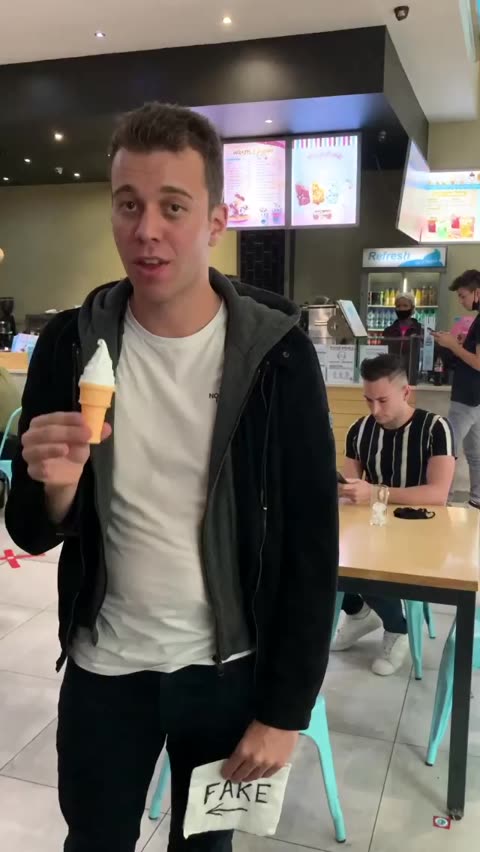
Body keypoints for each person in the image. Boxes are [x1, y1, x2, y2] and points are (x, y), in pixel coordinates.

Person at [5, 102, 338, 852]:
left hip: (226, 677)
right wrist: (56, 487)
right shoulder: (70, 344)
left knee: (206, 849)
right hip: (103, 672)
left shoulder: (279, 353)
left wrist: (285, 711)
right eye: (128, 204)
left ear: (217, 220)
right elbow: (29, 528)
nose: (146, 228)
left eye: (173, 206)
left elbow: (311, 543)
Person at [333, 354, 455, 676]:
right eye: (368, 400)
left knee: (371, 563)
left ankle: (397, 626)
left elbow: (438, 494)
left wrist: (375, 493)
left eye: (383, 400)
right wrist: (344, 490)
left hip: (423, 532)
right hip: (371, 527)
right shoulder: (360, 430)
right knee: (315, 554)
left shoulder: (435, 428)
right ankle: (359, 611)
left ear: (406, 392)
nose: (374, 410)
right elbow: (350, 487)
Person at [432, 269, 480, 509]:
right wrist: (461, 344)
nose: (461, 301)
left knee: (447, 450)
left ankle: (442, 498)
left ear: (477, 292)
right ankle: (477, 501)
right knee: (475, 453)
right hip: (475, 397)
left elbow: (479, 363)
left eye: (463, 295)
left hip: (467, 397)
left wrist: (453, 345)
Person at [383, 292, 422, 385]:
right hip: (392, 377)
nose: (401, 309)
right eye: (398, 306)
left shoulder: (419, 330)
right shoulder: (389, 331)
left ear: (412, 308)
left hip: (413, 377)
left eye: (405, 306)